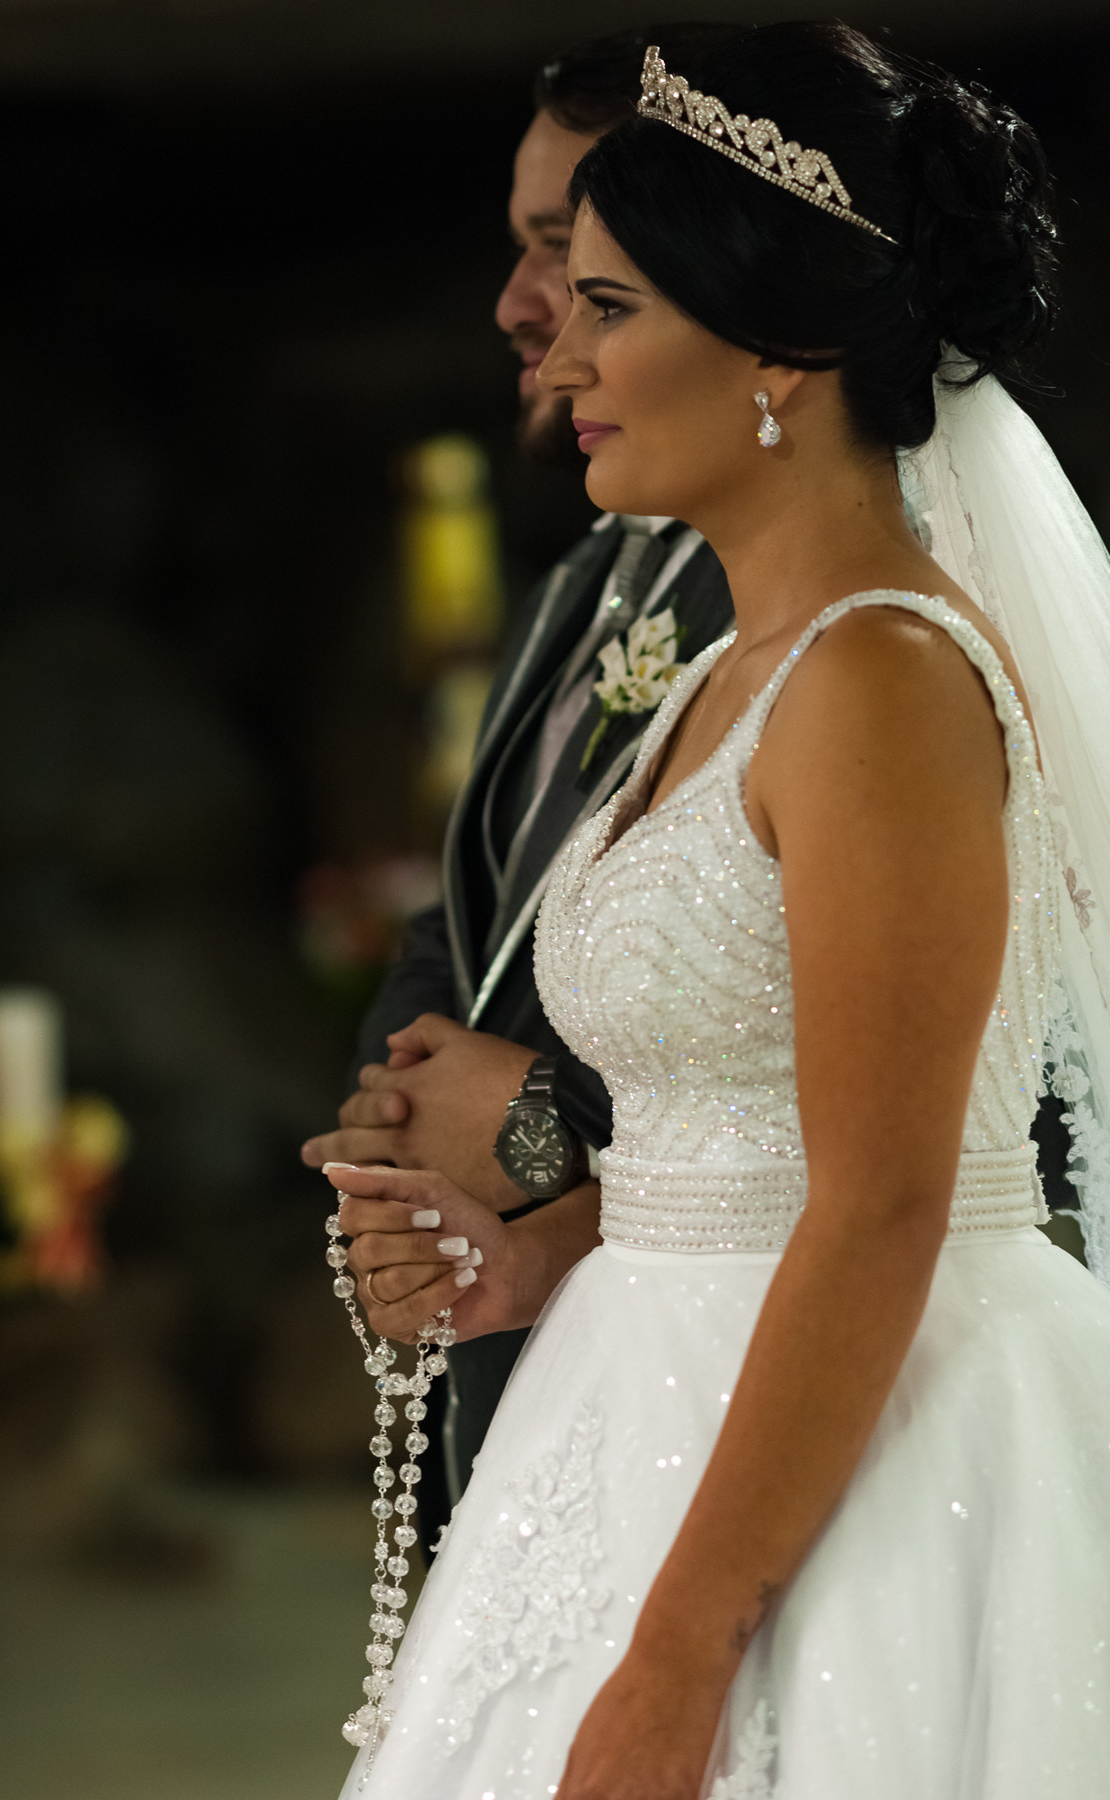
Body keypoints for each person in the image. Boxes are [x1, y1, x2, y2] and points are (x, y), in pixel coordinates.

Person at [327, 20, 1110, 1798]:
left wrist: (682, 1653)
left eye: (614, 306)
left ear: (782, 347)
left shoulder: (880, 680)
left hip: (881, 1456)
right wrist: (537, 1254)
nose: (563, 356)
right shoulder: (725, 678)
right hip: (637, 1400)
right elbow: (736, 1127)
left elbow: (891, 1195)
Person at [303, 23, 736, 1542]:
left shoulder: (849, 630)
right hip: (522, 1373)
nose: (519, 307)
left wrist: (540, 1130)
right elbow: (466, 922)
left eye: (570, 256)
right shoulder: (581, 581)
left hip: (718, 1396)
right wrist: (397, 1117)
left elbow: (957, 1103)